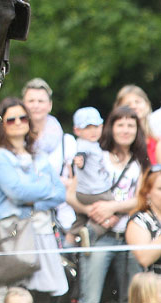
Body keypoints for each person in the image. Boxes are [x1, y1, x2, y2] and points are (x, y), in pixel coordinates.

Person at [0, 97, 68, 303]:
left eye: (23, 118)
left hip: (43, 233)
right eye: (10, 119)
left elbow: (60, 193)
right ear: (1, 124)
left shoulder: (39, 155)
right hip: (16, 236)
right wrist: (45, 187)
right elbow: (18, 192)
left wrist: (35, 200)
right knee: (19, 294)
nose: (18, 123)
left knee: (48, 294)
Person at [67, 105, 149, 303]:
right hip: (99, 238)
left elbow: (141, 199)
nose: (126, 130)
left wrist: (111, 208)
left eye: (131, 125)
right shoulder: (97, 155)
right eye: (120, 125)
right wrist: (93, 211)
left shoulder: (140, 162)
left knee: (133, 297)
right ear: (110, 128)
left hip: (130, 238)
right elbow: (71, 195)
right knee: (91, 296)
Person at [22, 77, 78, 235]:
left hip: (63, 217)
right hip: (25, 218)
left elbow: (76, 182)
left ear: (50, 105)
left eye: (41, 100)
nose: (36, 105)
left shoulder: (66, 142)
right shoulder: (15, 142)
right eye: (31, 100)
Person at [70, 106, 112, 245]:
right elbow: (81, 156)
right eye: (88, 128)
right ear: (77, 130)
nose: (93, 131)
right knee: (115, 207)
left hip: (82, 192)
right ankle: (91, 231)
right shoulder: (85, 145)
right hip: (95, 191)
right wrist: (79, 162)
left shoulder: (92, 144)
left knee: (80, 218)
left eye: (96, 126)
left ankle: (71, 241)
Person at [125, 166, 161, 274]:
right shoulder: (139, 221)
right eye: (160, 189)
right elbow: (144, 259)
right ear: (147, 192)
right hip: (153, 286)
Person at [114, 85, 156, 163]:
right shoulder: (115, 143)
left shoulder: (157, 139)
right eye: (127, 104)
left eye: (138, 102)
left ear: (147, 104)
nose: (134, 106)